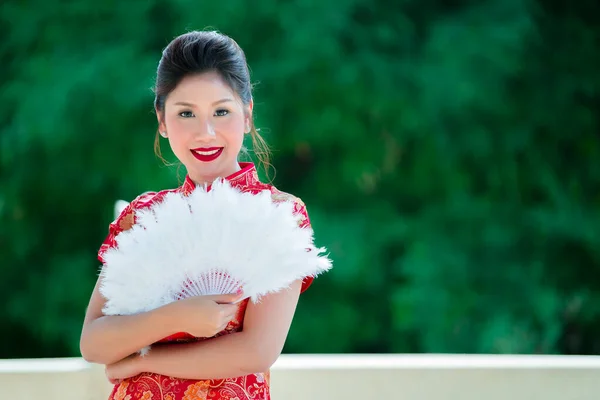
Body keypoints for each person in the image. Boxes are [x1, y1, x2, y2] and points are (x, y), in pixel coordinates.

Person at [80, 30, 317, 400]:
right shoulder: (143, 216)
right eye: (186, 113)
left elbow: (256, 352)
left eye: (221, 111)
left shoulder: (279, 215)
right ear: (162, 120)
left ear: (248, 114)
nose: (205, 133)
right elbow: (94, 343)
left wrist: (143, 361)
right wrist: (175, 317)